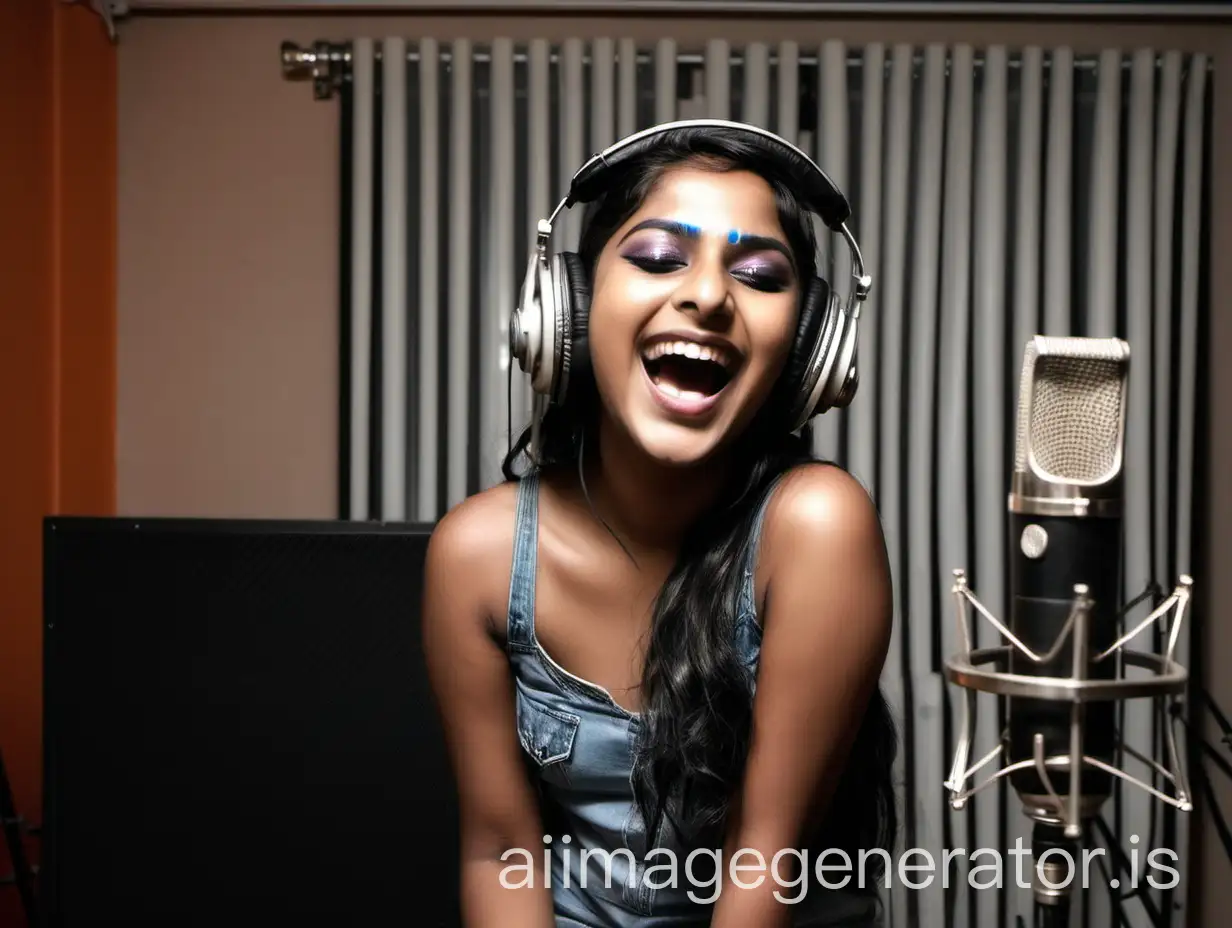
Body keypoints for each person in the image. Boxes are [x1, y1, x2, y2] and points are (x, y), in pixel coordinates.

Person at [422, 120, 899, 927]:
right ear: (566, 309)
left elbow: (764, 860)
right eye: (655, 258)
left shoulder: (818, 528)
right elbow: (501, 854)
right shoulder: (478, 554)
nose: (709, 295)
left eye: (758, 275)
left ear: (811, 351)